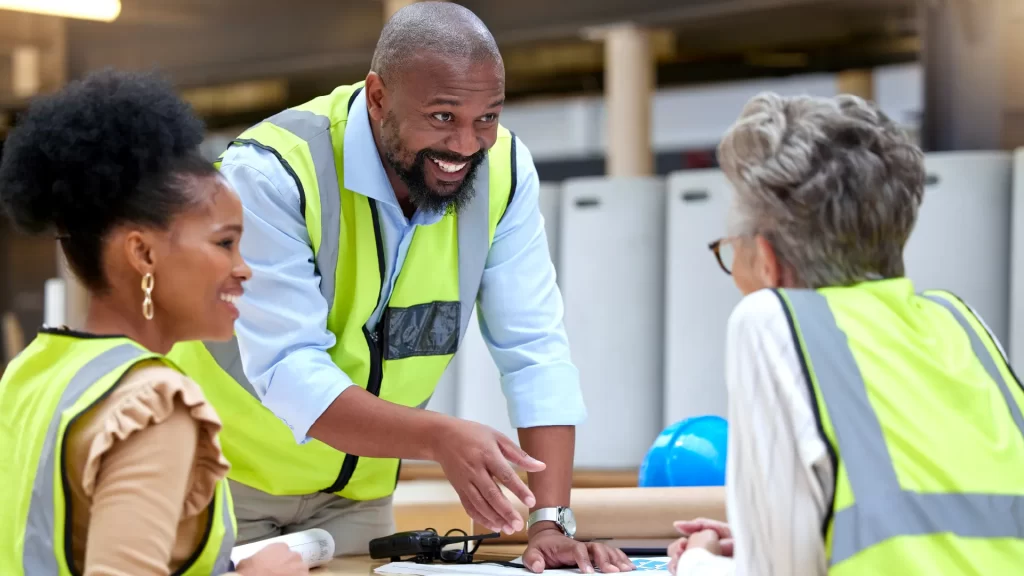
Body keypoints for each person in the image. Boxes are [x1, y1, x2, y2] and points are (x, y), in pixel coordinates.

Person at [166, 2, 631, 573]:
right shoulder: (273, 172)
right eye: (442, 117)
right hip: (224, 487)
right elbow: (289, 371)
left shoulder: (505, 171)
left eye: (487, 117)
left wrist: (550, 521)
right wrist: (437, 437)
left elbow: (535, 350)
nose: (466, 145)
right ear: (379, 95)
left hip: (356, 505)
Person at [668, 92, 1024, 575]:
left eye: (732, 251)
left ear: (769, 262)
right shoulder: (961, 324)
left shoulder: (770, 321)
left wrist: (697, 561)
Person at [0, 69, 307, 576]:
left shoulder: (31, 372)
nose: (243, 267)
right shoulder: (153, 406)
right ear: (142, 252)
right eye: (224, 242)